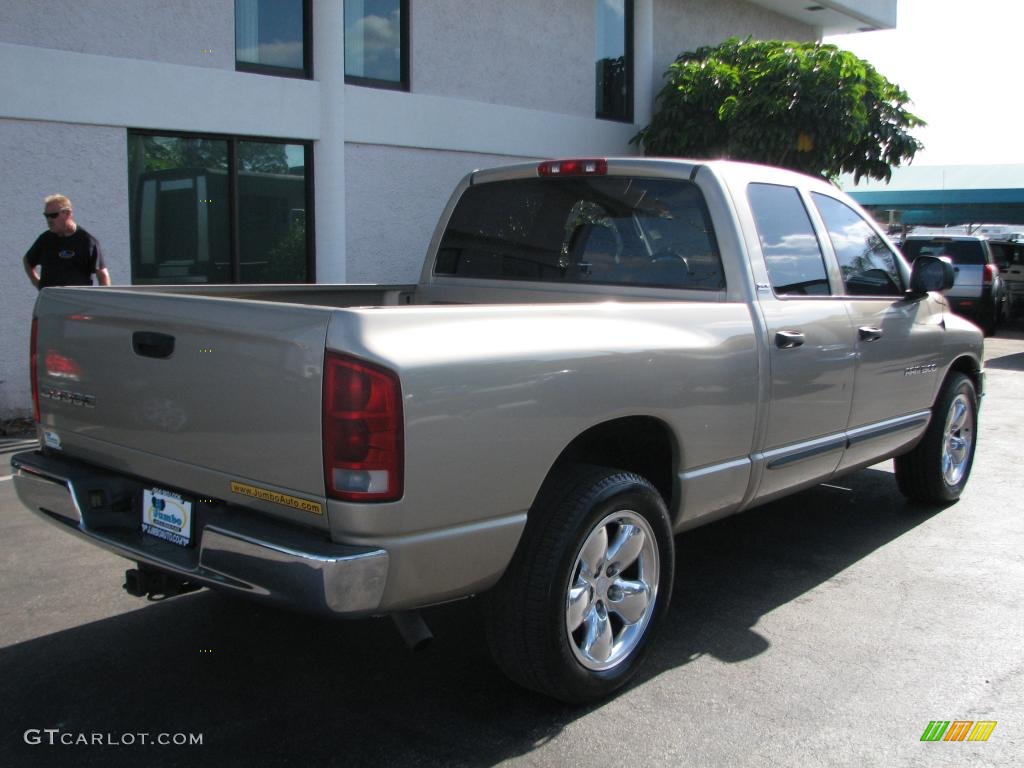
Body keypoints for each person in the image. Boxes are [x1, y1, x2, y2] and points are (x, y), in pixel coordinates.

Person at [23, 194, 111, 289]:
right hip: (50, 300)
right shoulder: (45, 239)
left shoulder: (87, 241)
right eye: (46, 216)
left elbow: (103, 276)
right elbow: (28, 261)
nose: (49, 220)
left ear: (68, 214)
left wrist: (100, 301)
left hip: (76, 301)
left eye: (53, 215)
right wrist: (39, 285)